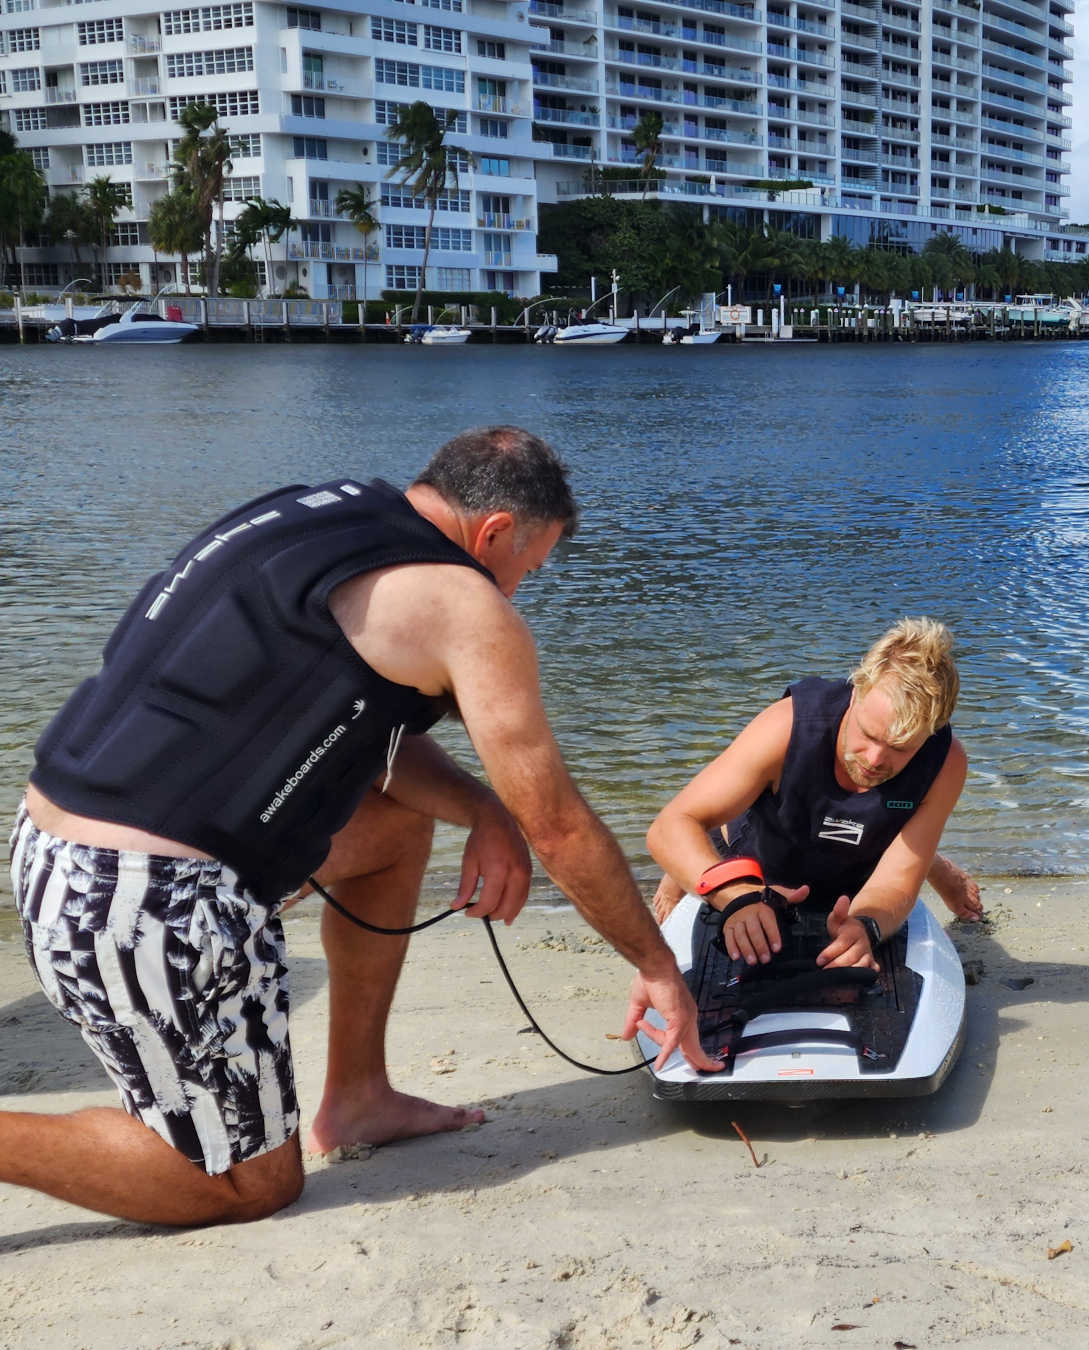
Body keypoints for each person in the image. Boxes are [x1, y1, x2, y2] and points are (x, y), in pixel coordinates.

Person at [4, 426, 716, 1228]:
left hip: (55, 858)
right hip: (144, 903)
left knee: (396, 831)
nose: (517, 591)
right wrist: (656, 964)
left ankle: (359, 1096)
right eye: (529, 568)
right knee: (247, 1187)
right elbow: (555, 824)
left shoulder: (321, 513)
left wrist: (479, 807)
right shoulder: (465, 604)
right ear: (496, 534)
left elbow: (362, 733)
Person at [647, 618, 976, 972]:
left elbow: (895, 881)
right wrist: (734, 895)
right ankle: (680, 874)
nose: (874, 760)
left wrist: (864, 925)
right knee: (696, 831)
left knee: (898, 846)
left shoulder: (946, 762)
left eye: (900, 748)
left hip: (860, 849)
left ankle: (924, 854)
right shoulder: (788, 725)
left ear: (931, 732)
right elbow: (667, 827)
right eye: (868, 734)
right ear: (857, 692)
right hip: (752, 849)